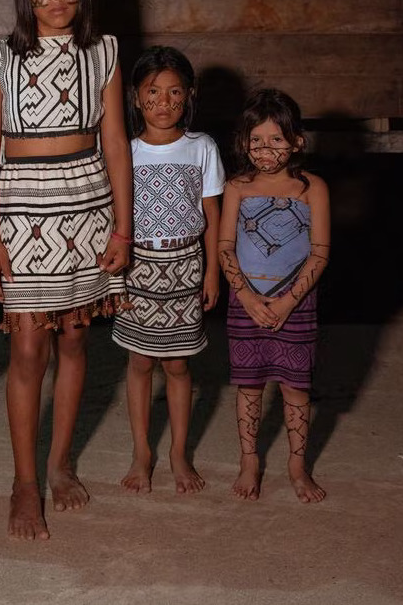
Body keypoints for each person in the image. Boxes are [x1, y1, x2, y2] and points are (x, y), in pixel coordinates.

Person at [0, 0, 132, 540]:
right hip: (22, 211)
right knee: (28, 348)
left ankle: (61, 464)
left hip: (88, 207)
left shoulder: (105, 52)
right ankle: (24, 482)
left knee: (73, 340)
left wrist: (123, 226)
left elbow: (115, 142)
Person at [112, 46, 224, 495]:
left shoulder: (202, 147)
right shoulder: (125, 151)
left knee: (177, 364)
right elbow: (113, 219)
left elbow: (213, 215)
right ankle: (142, 452)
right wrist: (114, 279)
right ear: (136, 98)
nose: (163, 101)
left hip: (185, 268)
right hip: (137, 267)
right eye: (152, 92)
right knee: (139, 362)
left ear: (189, 95)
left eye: (174, 92)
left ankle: (179, 453)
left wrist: (212, 272)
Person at [218, 88, 330, 503]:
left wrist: (287, 301)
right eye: (256, 141)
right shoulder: (237, 187)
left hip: (296, 303)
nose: (265, 150)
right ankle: (249, 461)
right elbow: (225, 246)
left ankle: (297, 468)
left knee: (296, 388)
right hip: (245, 300)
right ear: (244, 143)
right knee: (249, 386)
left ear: (297, 141)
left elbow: (319, 253)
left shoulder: (311, 188)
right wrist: (246, 297)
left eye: (276, 140)